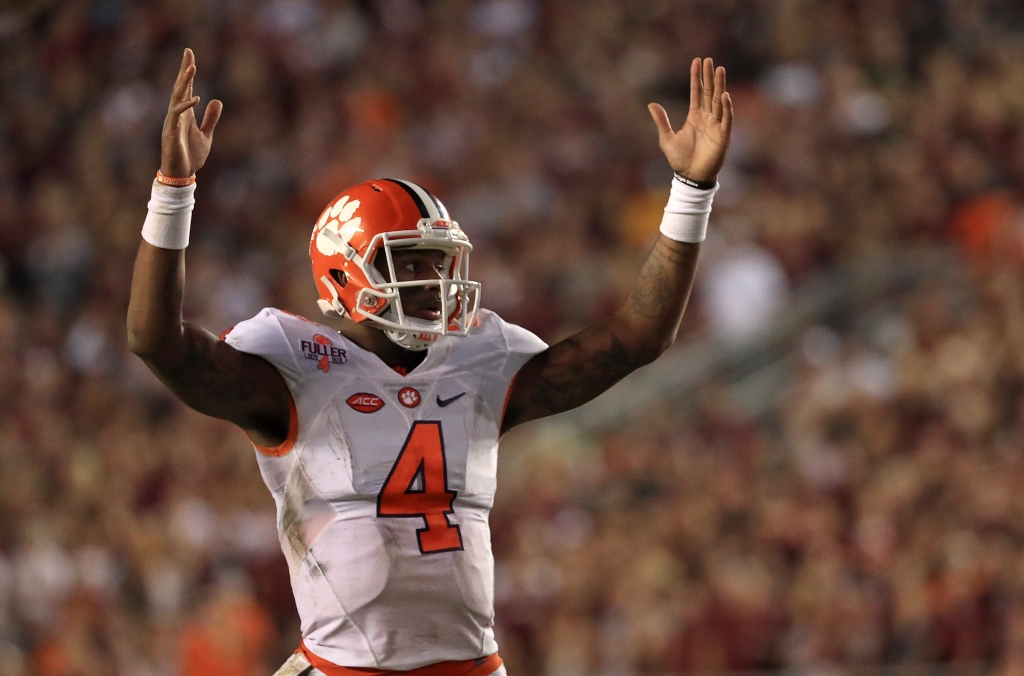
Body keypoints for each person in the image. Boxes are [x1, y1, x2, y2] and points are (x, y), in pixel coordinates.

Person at [126, 48, 733, 676]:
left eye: (439, 264)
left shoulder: (481, 361)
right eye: (410, 265)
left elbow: (638, 338)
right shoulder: (292, 367)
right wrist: (174, 192)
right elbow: (156, 341)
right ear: (344, 272)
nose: (432, 285)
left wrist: (692, 191)